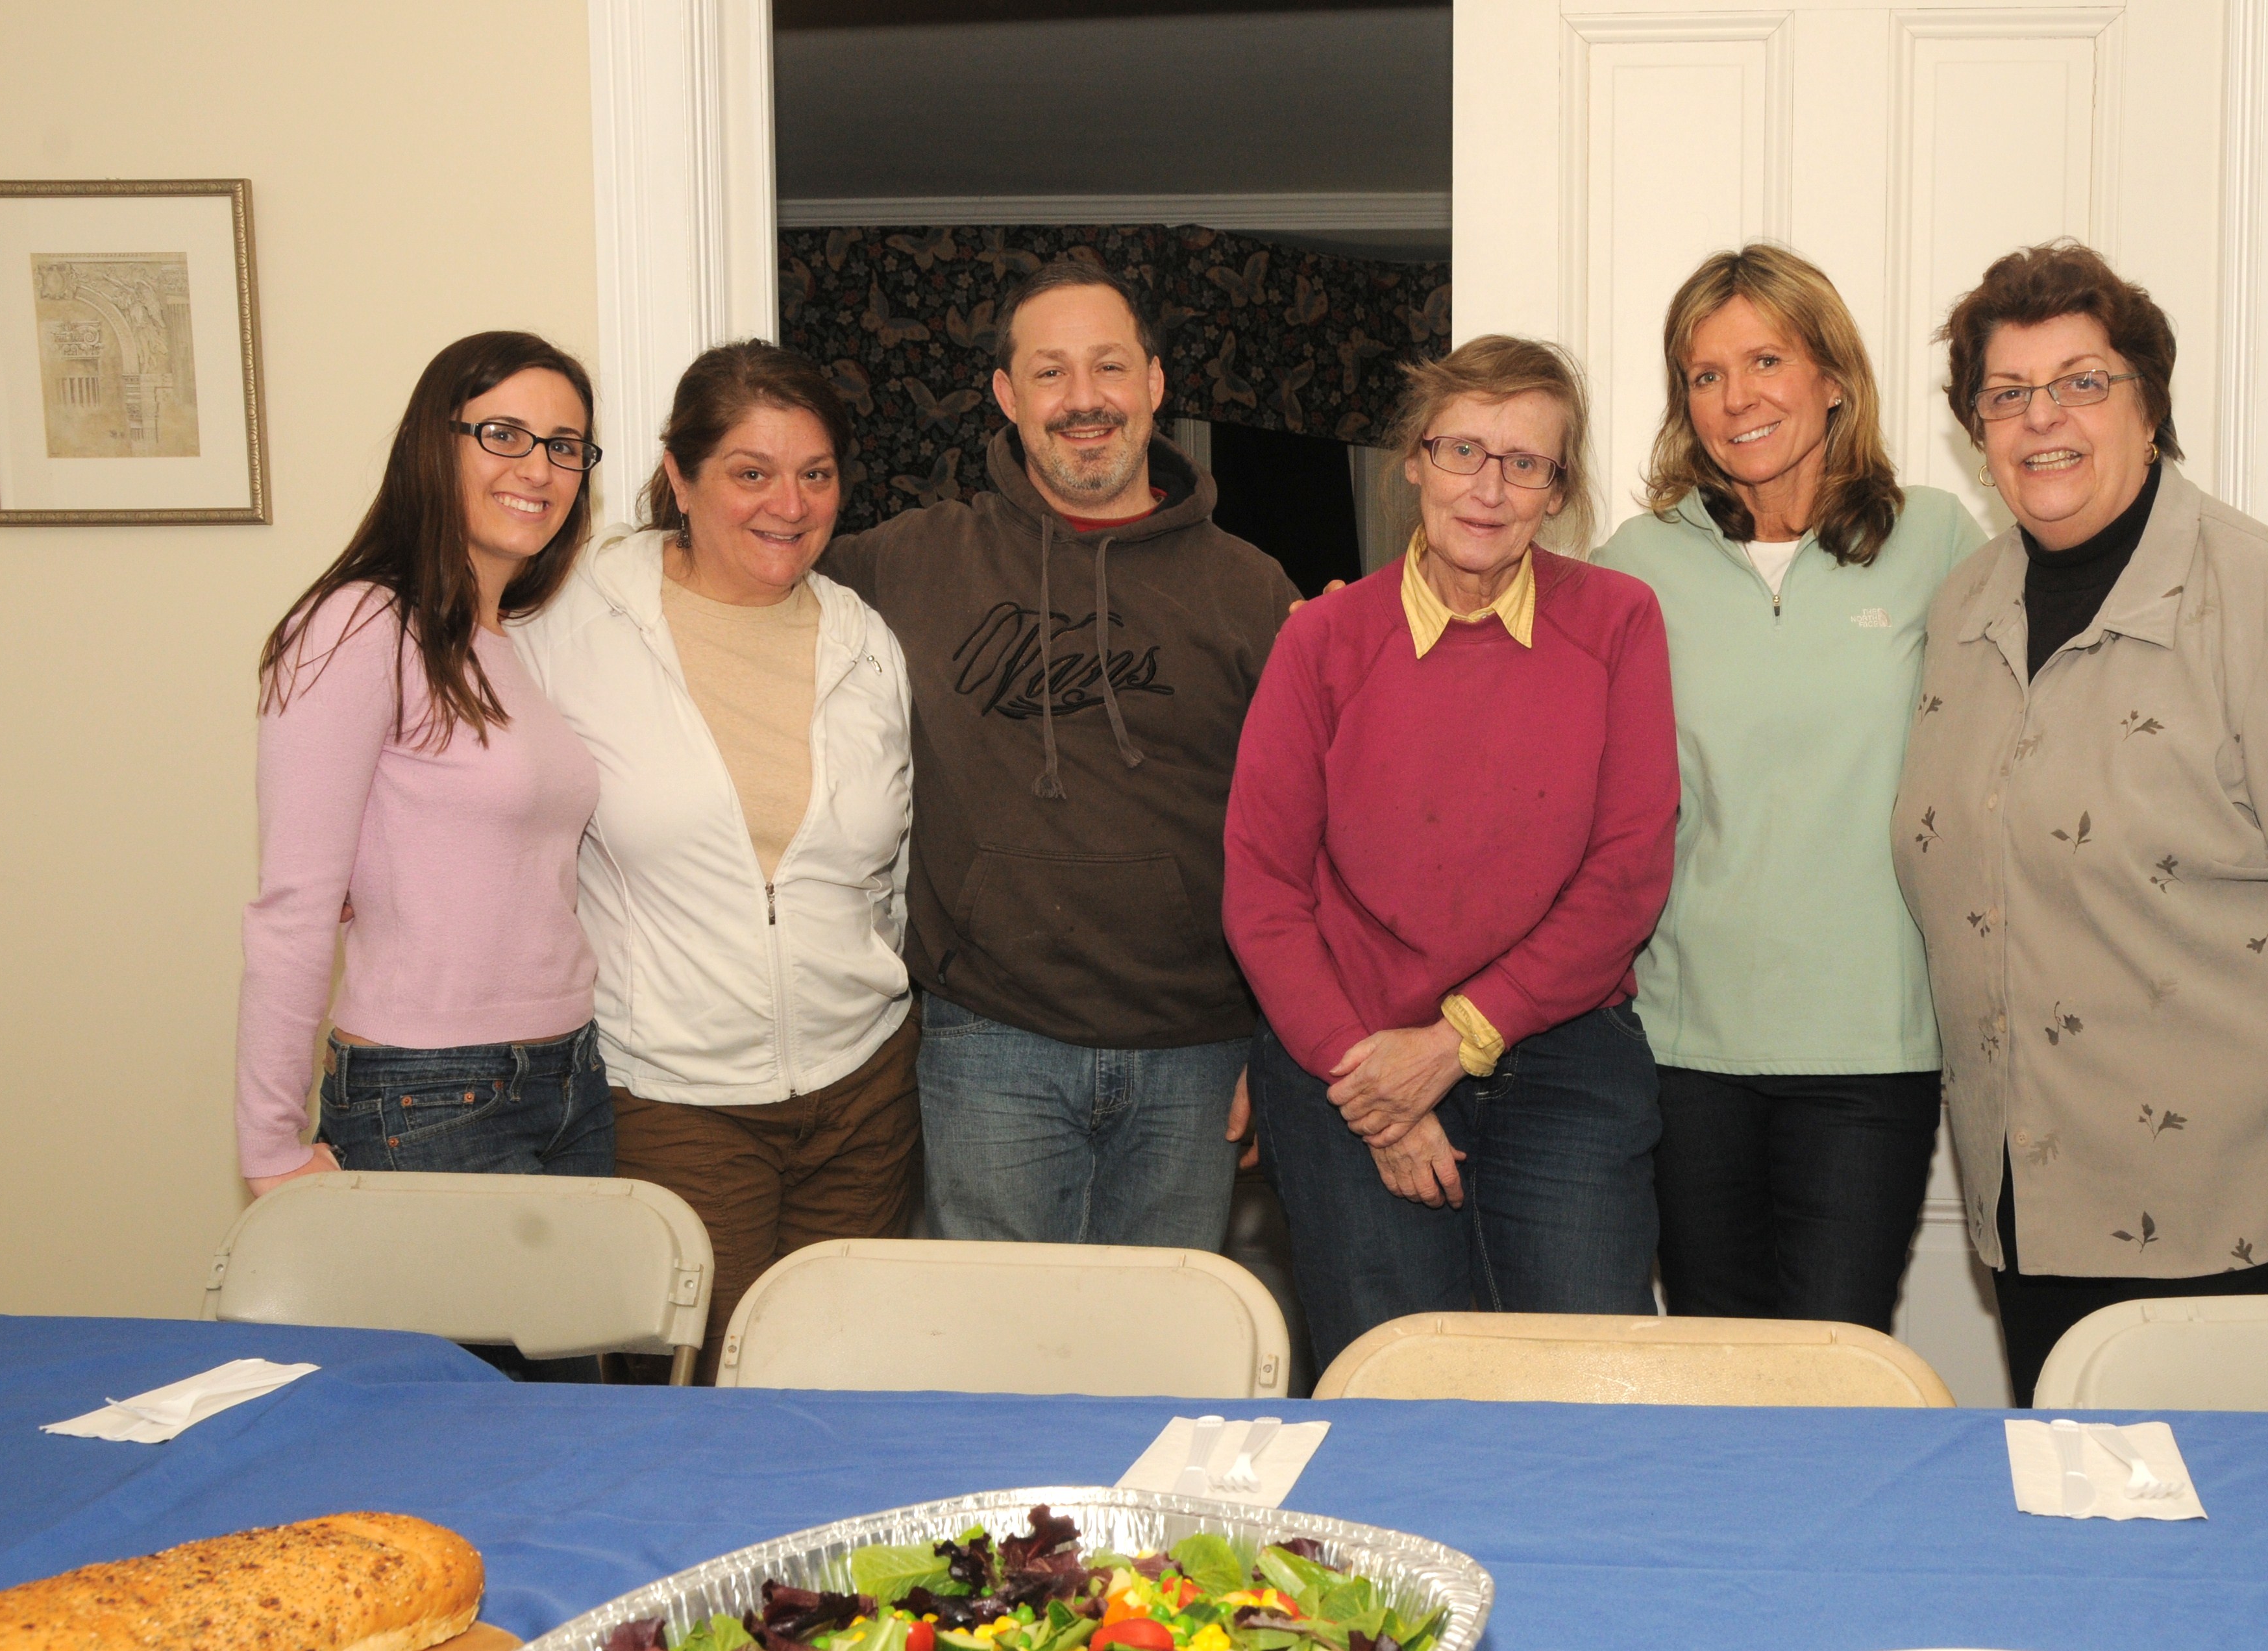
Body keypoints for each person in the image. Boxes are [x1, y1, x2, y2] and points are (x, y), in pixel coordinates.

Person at [1894, 241, 2268, 1402]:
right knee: (2093, 1559)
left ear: (2149, 409)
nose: (2044, 418)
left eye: (2084, 382)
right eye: (2008, 395)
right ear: (1979, 430)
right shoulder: (1962, 616)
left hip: (2252, 1228)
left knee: (2258, 1573)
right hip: (2037, 1217)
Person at [816, 260, 1298, 1251]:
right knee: (996, 1361)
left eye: (1109, 367)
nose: (1084, 400)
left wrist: (1280, 1043)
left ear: (1156, 384)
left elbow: (1304, 837)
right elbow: (746, 556)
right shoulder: (907, 562)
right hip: (988, 1039)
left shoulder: (1250, 590)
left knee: (1164, 1354)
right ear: (1005, 396)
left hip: (1198, 1050)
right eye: (1049, 373)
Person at [1226, 335, 1681, 1368]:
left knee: (1584, 1383)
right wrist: (1377, 1094)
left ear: (1559, 492)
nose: (1489, 488)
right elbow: (1261, 892)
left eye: (1526, 463)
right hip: (1346, 1055)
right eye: (1464, 450)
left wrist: (1451, 1045)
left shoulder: (1618, 621)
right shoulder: (1324, 640)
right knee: (1394, 1386)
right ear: (1414, 463)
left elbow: (1627, 875)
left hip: (1561, 1055)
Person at [1594, 244, 1985, 1331]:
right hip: (1682, 1045)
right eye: (1705, 374)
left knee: (1837, 1364)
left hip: (1872, 1046)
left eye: (1766, 359)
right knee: (1721, 1365)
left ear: (1833, 379)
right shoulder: (1634, 562)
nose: (1737, 398)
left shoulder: (1939, 540)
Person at [512, 341, 915, 1353]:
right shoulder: (568, 621)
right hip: (675, 1101)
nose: (789, 503)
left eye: (815, 474)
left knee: (841, 1381)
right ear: (678, 478)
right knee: (701, 1396)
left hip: (864, 1094)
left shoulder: (868, 642)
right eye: (751, 472)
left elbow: (892, 873)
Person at [238, 330, 608, 1200]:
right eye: (503, 434)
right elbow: (294, 905)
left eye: (565, 448)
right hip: (429, 1089)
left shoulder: (507, 645)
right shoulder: (358, 625)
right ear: (431, 446)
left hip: (571, 1077)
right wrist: (270, 1147)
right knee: (464, 1348)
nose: (540, 469)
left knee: (571, 1344)